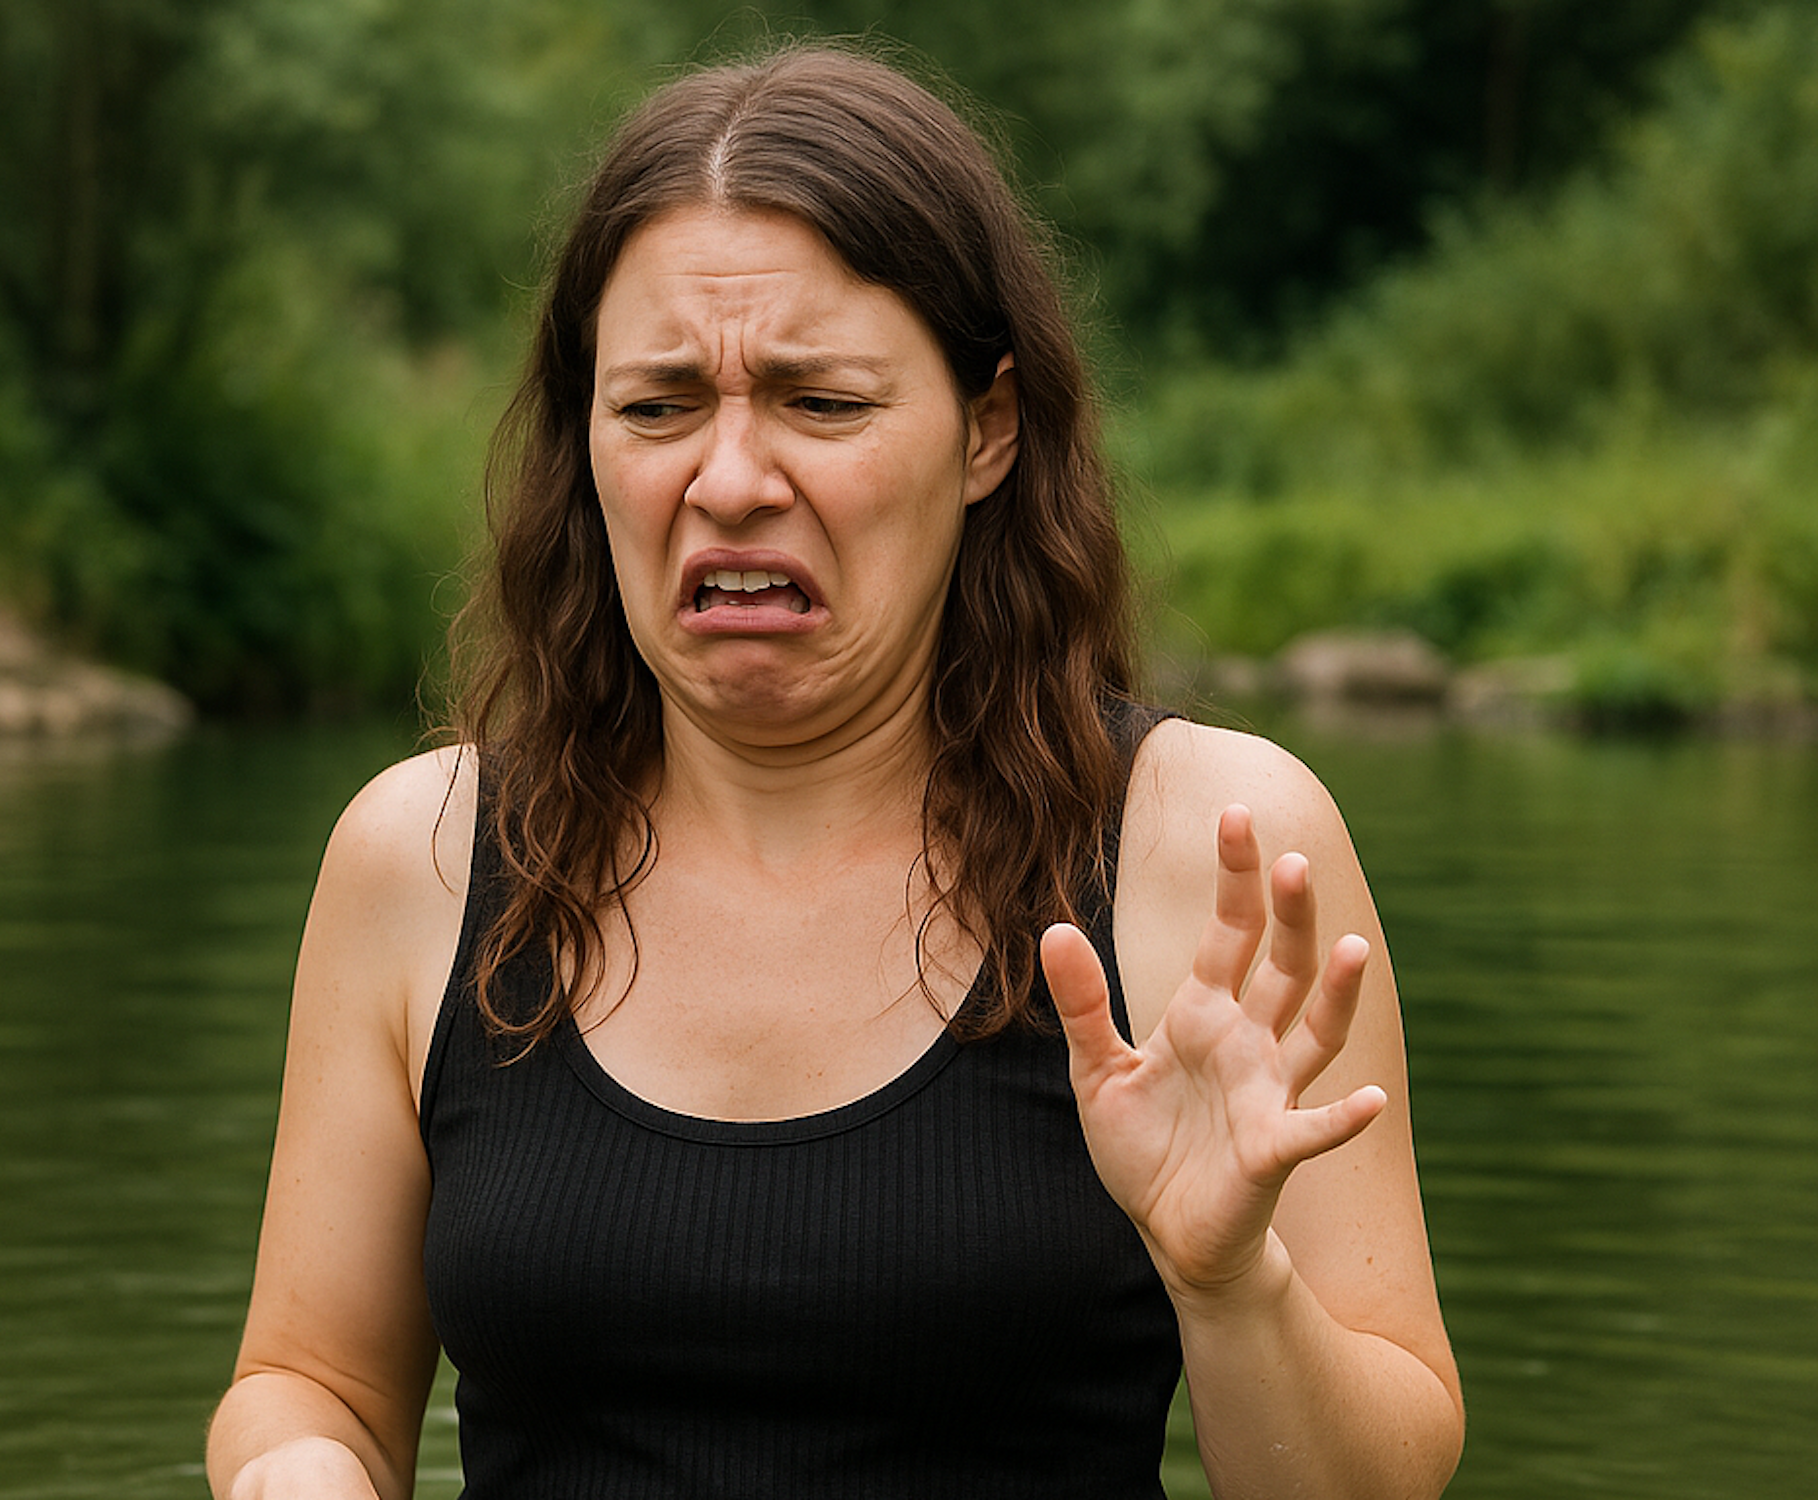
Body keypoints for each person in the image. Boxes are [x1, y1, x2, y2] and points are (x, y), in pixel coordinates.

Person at [207, 41, 1462, 1500]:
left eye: (820, 403)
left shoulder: (1211, 849)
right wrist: (298, 1471)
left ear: (987, 432)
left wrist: (1229, 1278)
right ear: (588, 440)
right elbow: (314, 1384)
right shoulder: (420, 859)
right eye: (660, 406)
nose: (729, 479)